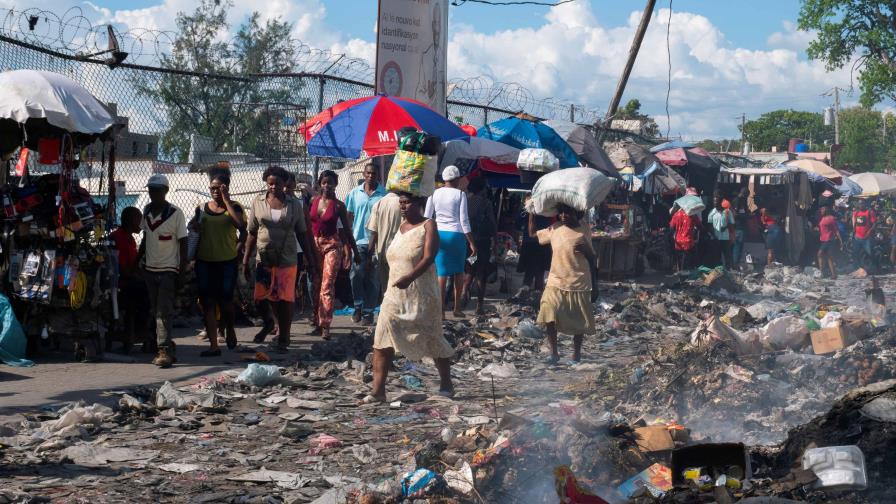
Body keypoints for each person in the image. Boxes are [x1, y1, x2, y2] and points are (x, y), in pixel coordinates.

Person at [365, 192, 454, 403]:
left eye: (407, 203)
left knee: (432, 337)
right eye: (401, 203)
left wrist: (410, 277)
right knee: (382, 337)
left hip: (422, 295)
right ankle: (378, 391)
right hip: (394, 295)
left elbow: (429, 256)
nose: (403, 207)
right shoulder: (400, 227)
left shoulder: (428, 225)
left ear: (420, 203)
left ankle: (446, 384)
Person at [243, 166, 315, 353]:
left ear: (285, 184)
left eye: (278, 183)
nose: (274, 187)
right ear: (266, 183)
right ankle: (272, 324)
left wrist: (310, 258)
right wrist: (245, 259)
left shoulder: (293, 205)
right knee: (264, 296)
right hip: (264, 257)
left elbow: (302, 233)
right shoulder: (258, 202)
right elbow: (251, 232)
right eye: (270, 183)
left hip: (287, 257)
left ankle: (285, 335)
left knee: (286, 298)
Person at [529, 204, 596, 364]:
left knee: (579, 322)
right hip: (555, 280)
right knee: (548, 311)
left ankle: (576, 354)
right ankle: (554, 353)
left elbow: (592, 258)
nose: (564, 215)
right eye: (561, 213)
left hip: (578, 282)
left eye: (568, 212)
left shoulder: (583, 230)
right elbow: (532, 234)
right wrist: (531, 212)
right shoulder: (555, 228)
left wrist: (596, 286)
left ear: (576, 213)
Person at [192, 168, 245, 357]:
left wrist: (226, 200)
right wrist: (194, 227)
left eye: (219, 188)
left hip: (227, 261)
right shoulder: (202, 208)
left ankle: (230, 329)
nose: (215, 191)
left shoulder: (235, 207)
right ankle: (214, 345)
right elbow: (194, 227)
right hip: (205, 261)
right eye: (212, 188)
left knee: (226, 301)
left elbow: (241, 227)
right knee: (207, 302)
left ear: (226, 187)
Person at [138, 174, 188, 368]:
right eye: (150, 190)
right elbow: (145, 237)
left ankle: (164, 350)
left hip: (168, 269)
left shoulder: (176, 213)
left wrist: (181, 270)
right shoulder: (147, 211)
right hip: (150, 268)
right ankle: (164, 344)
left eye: (156, 190)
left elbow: (183, 243)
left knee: (163, 311)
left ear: (165, 191)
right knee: (155, 309)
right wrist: (138, 258)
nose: (152, 194)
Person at [309, 170, 358, 340]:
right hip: (315, 245)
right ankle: (315, 320)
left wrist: (353, 251)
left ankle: (325, 324)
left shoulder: (338, 206)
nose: (327, 186)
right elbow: (307, 225)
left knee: (327, 285)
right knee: (315, 284)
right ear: (319, 184)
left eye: (330, 182)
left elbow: (346, 231)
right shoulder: (313, 201)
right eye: (324, 182)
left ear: (335, 185)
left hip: (332, 245)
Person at [425, 165, 477, 318]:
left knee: (442, 273)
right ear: (456, 179)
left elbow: (428, 217)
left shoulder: (434, 193)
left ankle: (441, 311)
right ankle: (457, 308)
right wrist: (472, 242)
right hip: (457, 235)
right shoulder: (460, 195)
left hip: (439, 234)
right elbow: (464, 220)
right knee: (459, 271)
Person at [345, 162, 386, 325]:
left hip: (377, 243)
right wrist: (347, 242)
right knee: (355, 274)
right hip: (358, 240)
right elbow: (348, 216)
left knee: (373, 278)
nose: (370, 176)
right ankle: (358, 306)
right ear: (363, 174)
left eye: (373, 174)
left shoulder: (384, 195)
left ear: (378, 176)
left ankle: (369, 312)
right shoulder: (354, 193)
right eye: (368, 173)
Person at [110, 206, 146, 354]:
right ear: (132, 220)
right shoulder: (118, 237)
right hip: (121, 284)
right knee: (146, 294)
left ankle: (143, 335)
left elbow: (133, 266)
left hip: (129, 280)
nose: (142, 223)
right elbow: (124, 270)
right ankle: (140, 335)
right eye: (139, 219)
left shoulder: (130, 239)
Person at [462, 176, 496, 315]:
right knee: (481, 273)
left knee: (470, 269)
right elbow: (492, 223)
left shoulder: (466, 202)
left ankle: (464, 292)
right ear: (482, 189)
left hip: (469, 242)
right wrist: (495, 238)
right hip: (482, 243)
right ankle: (479, 306)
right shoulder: (486, 203)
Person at [367, 190, 403, 297]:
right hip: (399, 251)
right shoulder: (403, 204)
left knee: (385, 287)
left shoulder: (378, 204)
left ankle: (386, 310)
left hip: (382, 253)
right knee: (399, 286)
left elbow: (373, 232)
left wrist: (369, 256)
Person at [517, 198, 552, 290]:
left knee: (529, 272)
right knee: (539, 272)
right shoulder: (547, 209)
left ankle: (529, 293)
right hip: (542, 242)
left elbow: (518, 225)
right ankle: (537, 294)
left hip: (531, 242)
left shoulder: (526, 210)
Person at [708, 195, 735, 268]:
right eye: (714, 201)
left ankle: (728, 273)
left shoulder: (727, 212)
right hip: (715, 239)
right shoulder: (712, 212)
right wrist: (713, 235)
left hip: (725, 238)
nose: (715, 202)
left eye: (716, 201)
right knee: (716, 257)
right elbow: (710, 226)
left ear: (720, 202)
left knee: (727, 257)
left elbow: (732, 224)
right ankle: (718, 274)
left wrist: (726, 227)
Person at [669, 206, 699, 272]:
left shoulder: (676, 214)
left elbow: (671, 227)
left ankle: (681, 275)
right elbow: (699, 226)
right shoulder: (693, 215)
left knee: (680, 260)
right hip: (689, 242)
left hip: (678, 242)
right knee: (690, 260)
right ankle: (688, 273)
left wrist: (674, 236)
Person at [852, 199, 877, 272]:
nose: (861, 205)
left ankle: (874, 267)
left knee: (870, 253)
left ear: (865, 204)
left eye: (862, 204)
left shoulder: (869, 212)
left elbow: (874, 223)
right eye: (859, 204)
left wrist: (869, 231)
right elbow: (855, 224)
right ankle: (858, 269)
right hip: (857, 237)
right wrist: (853, 233)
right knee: (856, 254)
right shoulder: (856, 213)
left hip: (867, 238)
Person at [817, 206, 842, 279]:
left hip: (829, 240)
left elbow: (836, 230)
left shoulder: (831, 218)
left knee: (820, 254)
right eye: (821, 209)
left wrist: (840, 241)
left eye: (822, 209)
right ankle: (833, 274)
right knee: (828, 257)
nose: (821, 210)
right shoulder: (822, 218)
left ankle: (822, 272)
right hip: (823, 240)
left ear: (826, 210)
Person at [731, 187, 751, 268]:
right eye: (747, 195)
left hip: (741, 226)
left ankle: (736, 264)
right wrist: (746, 216)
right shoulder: (737, 200)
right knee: (737, 246)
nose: (747, 197)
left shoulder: (743, 200)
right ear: (744, 193)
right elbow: (735, 214)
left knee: (740, 247)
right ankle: (734, 265)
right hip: (738, 227)